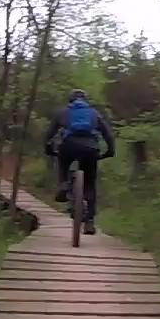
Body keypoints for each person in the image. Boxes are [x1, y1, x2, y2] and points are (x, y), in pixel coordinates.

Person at [43, 88, 115, 235]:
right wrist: (110, 151)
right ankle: (89, 222)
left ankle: (63, 184)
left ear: (70, 100)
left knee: (63, 162)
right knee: (90, 183)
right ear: (86, 101)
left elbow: (49, 134)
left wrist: (48, 148)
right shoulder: (94, 113)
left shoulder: (63, 112)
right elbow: (108, 134)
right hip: (91, 148)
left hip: (69, 146)